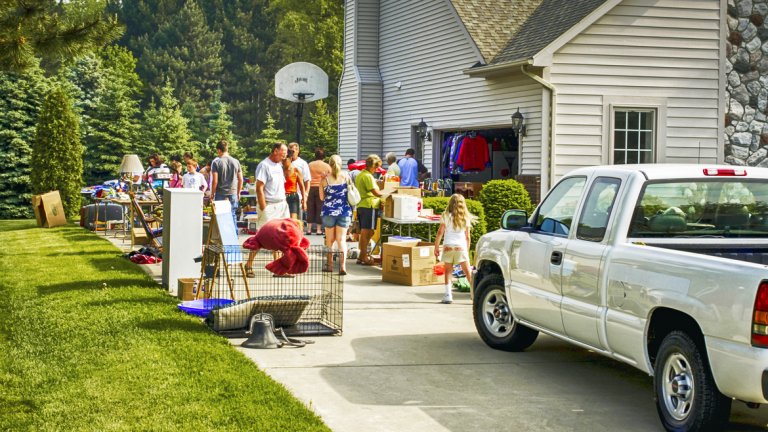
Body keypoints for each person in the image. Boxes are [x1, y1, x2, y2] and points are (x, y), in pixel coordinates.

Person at [246, 142, 291, 277]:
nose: (284, 156)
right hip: (269, 205)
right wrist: (263, 207)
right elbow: (259, 187)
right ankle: (248, 265)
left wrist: (287, 164)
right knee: (260, 237)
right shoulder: (264, 165)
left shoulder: (279, 164)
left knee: (282, 237)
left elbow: (284, 181)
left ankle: (279, 268)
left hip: (282, 204)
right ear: (275, 150)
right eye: (283, 153)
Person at [433, 194, 476, 304]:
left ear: (450, 204)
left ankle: (448, 295)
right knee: (468, 272)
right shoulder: (465, 217)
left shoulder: (445, 215)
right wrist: (466, 249)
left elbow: (440, 233)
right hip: (460, 247)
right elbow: (467, 237)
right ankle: (475, 295)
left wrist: (436, 247)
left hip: (448, 246)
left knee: (448, 271)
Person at [319, 155, 353, 275]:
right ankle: (343, 267)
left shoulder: (325, 179)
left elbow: (322, 197)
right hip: (344, 212)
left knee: (330, 240)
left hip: (329, 212)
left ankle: (329, 265)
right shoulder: (346, 176)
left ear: (329, 164)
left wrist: (321, 183)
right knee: (341, 240)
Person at [355, 154, 384, 266]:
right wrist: (387, 194)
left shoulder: (360, 174)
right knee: (367, 232)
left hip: (361, 205)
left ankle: (362, 255)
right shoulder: (368, 176)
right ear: (372, 166)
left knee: (366, 231)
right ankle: (363, 256)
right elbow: (375, 192)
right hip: (369, 205)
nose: (376, 170)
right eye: (376, 167)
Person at [209, 139, 243, 228]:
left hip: (221, 193)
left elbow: (215, 180)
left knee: (221, 217)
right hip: (233, 192)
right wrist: (238, 192)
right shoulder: (236, 161)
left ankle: (224, 240)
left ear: (219, 150)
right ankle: (234, 240)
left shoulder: (216, 162)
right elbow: (240, 179)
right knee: (233, 215)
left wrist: (212, 193)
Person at [307, 148, 331, 235]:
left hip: (311, 187)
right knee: (320, 208)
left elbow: (306, 176)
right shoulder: (327, 166)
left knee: (310, 207)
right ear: (323, 156)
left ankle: (309, 229)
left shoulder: (310, 165)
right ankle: (318, 229)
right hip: (321, 188)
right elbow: (329, 177)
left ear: (315, 155)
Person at [283, 148, 307, 228]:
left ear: (290, 159)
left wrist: (304, 201)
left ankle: (296, 236)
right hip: (282, 197)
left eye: (285, 159)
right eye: (283, 160)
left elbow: (302, 186)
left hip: (292, 196)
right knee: (283, 221)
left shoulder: (296, 171)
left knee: (293, 221)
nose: (283, 161)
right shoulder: (279, 170)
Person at [288, 142, 311, 221]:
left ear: (298, 151)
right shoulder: (284, 162)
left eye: (293, 151)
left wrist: (306, 195)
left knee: (297, 219)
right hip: (286, 195)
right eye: (289, 151)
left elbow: (307, 180)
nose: (291, 153)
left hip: (298, 195)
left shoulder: (302, 163)